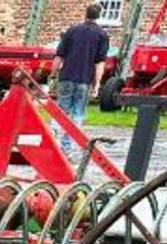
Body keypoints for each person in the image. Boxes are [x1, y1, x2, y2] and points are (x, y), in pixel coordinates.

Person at [53, 3, 113, 151]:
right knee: (78, 114)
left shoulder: (72, 31)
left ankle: (53, 137)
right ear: (99, 16)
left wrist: (53, 74)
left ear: (85, 14)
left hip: (66, 76)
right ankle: (66, 147)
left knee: (62, 109)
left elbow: (59, 56)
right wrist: (97, 85)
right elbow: (99, 63)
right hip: (84, 80)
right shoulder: (102, 35)